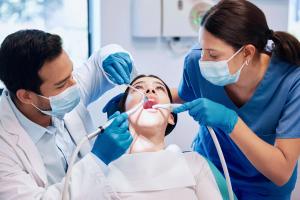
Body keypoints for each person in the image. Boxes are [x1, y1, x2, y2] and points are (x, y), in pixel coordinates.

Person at [171, 0, 300, 199]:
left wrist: (231, 122)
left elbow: (282, 171)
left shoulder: (292, 80)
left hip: (264, 188)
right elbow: (184, 94)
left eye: (213, 54)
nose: (203, 60)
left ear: (247, 52)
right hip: (208, 175)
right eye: (202, 49)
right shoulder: (195, 62)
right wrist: (141, 92)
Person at [0, 29, 134, 199]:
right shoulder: (4, 147)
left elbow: (99, 60)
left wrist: (112, 55)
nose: (75, 84)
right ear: (26, 96)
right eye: (62, 84)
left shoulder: (60, 84)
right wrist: (99, 159)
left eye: (71, 73)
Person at [102, 74, 230, 199]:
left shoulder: (193, 163)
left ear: (170, 117)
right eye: (138, 88)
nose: (150, 90)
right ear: (124, 114)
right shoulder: (104, 171)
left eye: (159, 88)